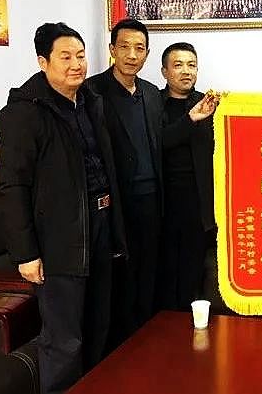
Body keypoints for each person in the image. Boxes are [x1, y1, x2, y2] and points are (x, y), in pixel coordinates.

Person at [0, 22, 127, 394]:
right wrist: (25, 253)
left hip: (99, 224)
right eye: (65, 57)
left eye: (81, 56)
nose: (76, 65)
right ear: (43, 62)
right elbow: (12, 187)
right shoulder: (24, 114)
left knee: (99, 323)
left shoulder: (89, 101)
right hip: (58, 240)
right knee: (64, 339)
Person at [85, 18, 163, 343]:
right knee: (120, 278)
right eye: (125, 47)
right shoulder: (92, 92)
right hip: (115, 202)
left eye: (139, 48)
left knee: (149, 273)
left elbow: (162, 141)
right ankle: (122, 347)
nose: (132, 55)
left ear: (147, 54)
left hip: (152, 198)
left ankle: (147, 339)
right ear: (112, 49)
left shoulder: (151, 93)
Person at [156, 42, 219, 311]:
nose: (186, 71)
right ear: (164, 71)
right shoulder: (152, 103)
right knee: (165, 277)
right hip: (163, 206)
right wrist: (189, 120)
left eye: (191, 65)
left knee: (195, 277)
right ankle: (167, 327)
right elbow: (156, 142)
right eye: (178, 65)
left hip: (199, 205)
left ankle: (193, 326)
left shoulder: (210, 103)